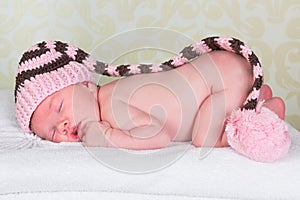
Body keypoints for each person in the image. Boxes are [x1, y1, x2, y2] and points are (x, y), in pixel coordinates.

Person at [15, 37, 290, 162]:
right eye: (52, 132)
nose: (62, 124)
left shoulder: (111, 104)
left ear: (87, 85)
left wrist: (109, 137)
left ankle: (265, 112)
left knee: (203, 137)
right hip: (225, 71)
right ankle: (255, 96)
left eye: (59, 107)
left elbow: (158, 135)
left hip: (219, 81)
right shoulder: (111, 95)